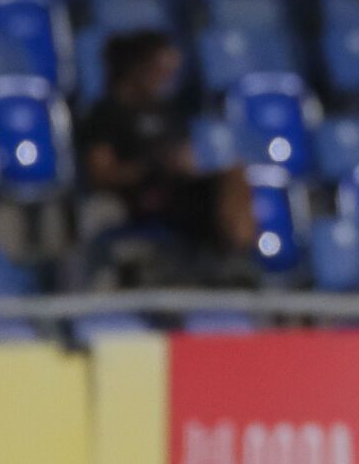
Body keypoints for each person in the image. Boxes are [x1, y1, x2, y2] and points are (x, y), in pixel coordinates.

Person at [76, 29, 255, 278]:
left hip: (176, 191)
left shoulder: (169, 112)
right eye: (159, 70)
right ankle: (232, 265)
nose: (165, 78)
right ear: (136, 67)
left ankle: (239, 259)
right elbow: (101, 175)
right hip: (137, 196)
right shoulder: (105, 115)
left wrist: (183, 165)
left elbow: (186, 159)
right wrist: (153, 166)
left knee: (234, 173)